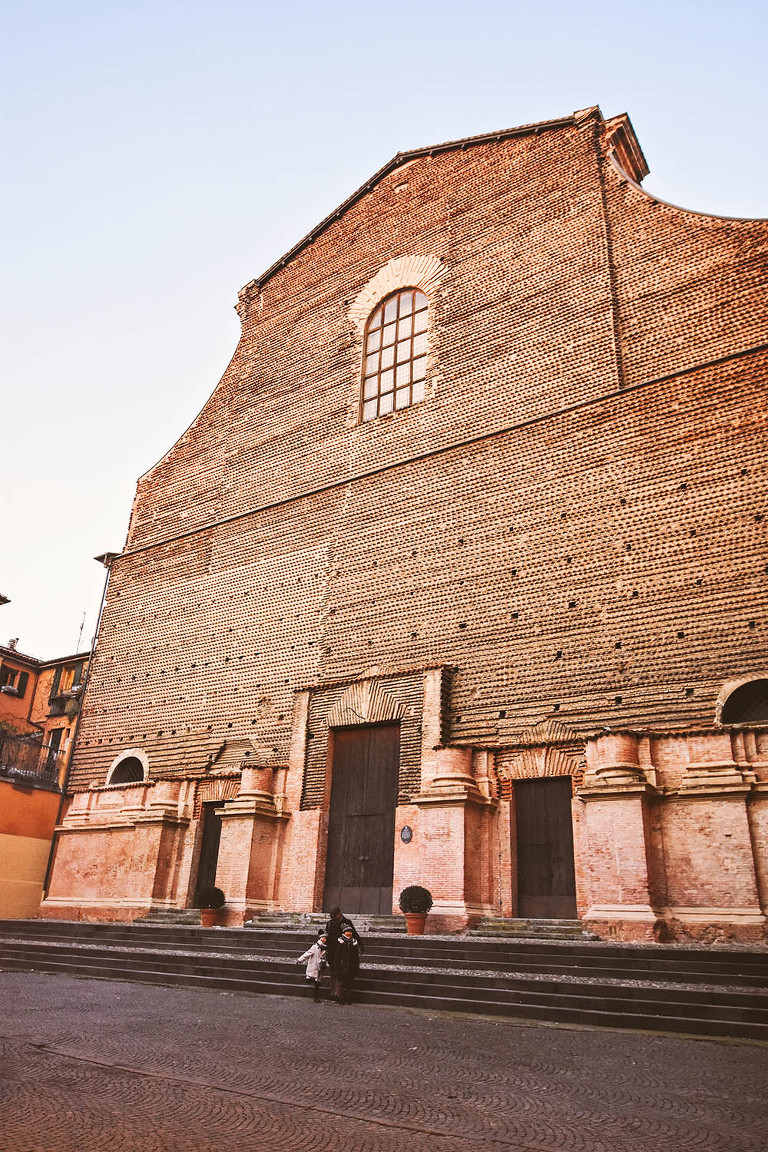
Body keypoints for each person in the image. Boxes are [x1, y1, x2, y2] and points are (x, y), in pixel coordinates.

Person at [325, 906, 362, 1002]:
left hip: (343, 953)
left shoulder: (347, 923)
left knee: (342, 974)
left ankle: (340, 994)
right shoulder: (329, 923)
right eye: (331, 916)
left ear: (339, 914)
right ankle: (333, 993)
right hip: (332, 952)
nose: (332, 918)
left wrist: (360, 946)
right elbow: (327, 936)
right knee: (333, 972)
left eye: (334, 916)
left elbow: (354, 935)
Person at [331, 925, 361, 1004]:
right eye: (347, 932)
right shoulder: (340, 943)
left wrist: (356, 967)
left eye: (350, 932)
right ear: (344, 933)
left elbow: (356, 957)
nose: (349, 933)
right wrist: (336, 966)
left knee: (349, 985)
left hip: (351, 967)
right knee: (340, 984)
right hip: (341, 966)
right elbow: (337, 956)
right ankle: (340, 999)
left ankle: (348, 999)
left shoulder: (354, 943)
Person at [296, 929, 328, 1002]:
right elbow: (307, 953)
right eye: (323, 938)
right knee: (313, 979)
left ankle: (316, 997)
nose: (324, 940)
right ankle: (309, 980)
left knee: (317, 983)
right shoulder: (315, 947)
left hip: (320, 967)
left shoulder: (325, 948)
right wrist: (300, 960)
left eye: (325, 938)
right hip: (314, 966)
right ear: (320, 938)